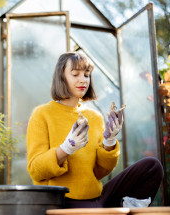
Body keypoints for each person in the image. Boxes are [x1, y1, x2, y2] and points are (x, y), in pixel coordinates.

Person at [26, 52, 163, 208]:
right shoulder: (42, 114)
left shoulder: (95, 117)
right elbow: (36, 170)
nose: (83, 80)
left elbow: (100, 172)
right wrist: (66, 148)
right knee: (96, 210)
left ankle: (129, 209)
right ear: (61, 77)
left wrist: (109, 140)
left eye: (86, 74)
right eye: (75, 74)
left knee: (152, 166)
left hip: (95, 198)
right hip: (60, 200)